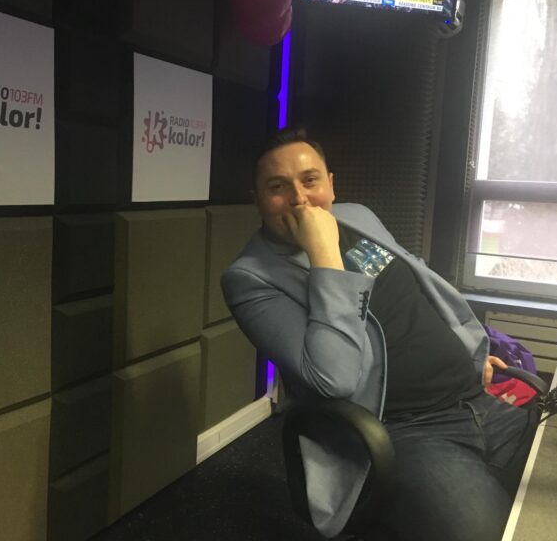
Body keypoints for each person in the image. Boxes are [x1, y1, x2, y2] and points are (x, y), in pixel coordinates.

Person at [221, 128, 537, 541]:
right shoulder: (250, 279)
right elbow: (332, 378)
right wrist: (324, 254)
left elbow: (421, 290)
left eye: (310, 180)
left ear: (331, 184)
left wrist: (471, 351)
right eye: (278, 187)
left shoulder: (358, 215)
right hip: (407, 433)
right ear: (258, 200)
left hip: (478, 399)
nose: (299, 198)